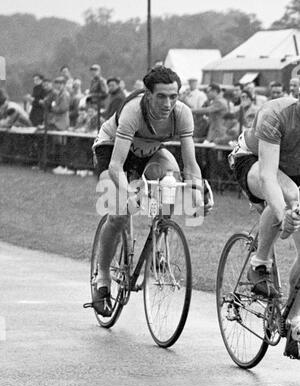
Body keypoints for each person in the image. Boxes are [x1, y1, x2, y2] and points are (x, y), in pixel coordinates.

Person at [92, 66, 213, 316]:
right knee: (118, 213)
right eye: (161, 96)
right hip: (114, 149)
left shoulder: (182, 113)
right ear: (148, 94)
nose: (168, 103)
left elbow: (191, 164)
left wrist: (197, 193)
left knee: (172, 178)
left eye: (174, 96)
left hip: (149, 151)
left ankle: (160, 238)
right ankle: (101, 278)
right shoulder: (133, 111)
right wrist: (128, 193)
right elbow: (115, 166)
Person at [229, 95, 300, 359]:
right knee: (288, 195)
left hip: (294, 170)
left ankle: (292, 321)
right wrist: (285, 216)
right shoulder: (276, 113)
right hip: (254, 161)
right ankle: (259, 264)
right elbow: (269, 176)